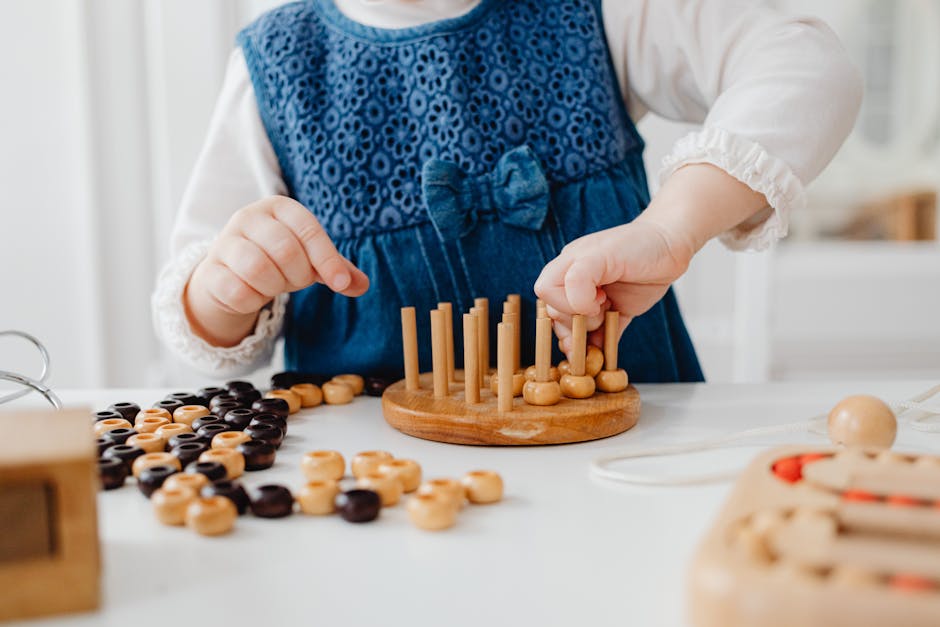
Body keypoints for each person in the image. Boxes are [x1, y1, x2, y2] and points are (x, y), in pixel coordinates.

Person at [152, 0, 862, 381]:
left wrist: (670, 228)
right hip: (377, 504)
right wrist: (223, 292)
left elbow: (806, 65)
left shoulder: (602, 10)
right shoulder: (276, 67)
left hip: (625, 471)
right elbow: (201, 324)